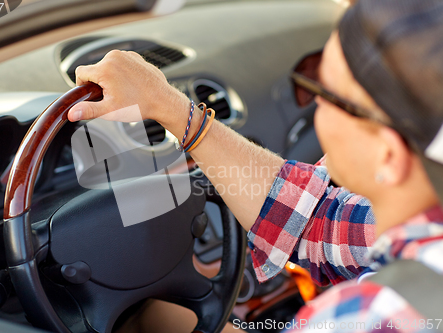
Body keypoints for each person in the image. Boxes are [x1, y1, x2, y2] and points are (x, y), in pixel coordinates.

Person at [67, 0, 443, 331]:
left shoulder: (365, 317)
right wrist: (167, 104)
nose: (315, 105)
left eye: (325, 92)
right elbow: (316, 224)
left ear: (389, 155)